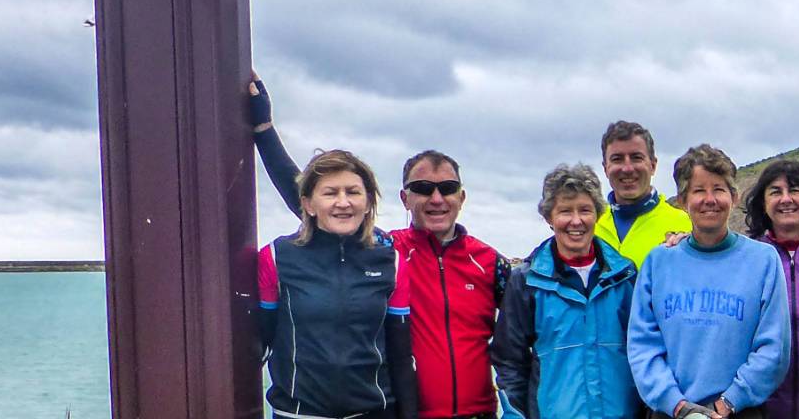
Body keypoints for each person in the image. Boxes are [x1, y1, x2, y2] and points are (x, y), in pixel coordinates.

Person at [250, 76, 508, 419]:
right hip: (406, 409)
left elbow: (537, 323)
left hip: (477, 413)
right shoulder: (389, 250)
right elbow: (318, 205)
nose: (436, 199)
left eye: (447, 188)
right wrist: (264, 130)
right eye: (422, 188)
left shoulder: (490, 262)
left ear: (462, 196)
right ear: (405, 198)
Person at [629, 144, 790, 419]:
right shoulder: (658, 262)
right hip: (672, 413)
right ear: (682, 200)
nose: (709, 199)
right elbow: (643, 345)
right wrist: (679, 406)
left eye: (719, 189)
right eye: (698, 190)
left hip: (739, 411)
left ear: (734, 197)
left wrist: (727, 403)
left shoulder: (763, 261)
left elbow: (774, 348)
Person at [256, 148, 417, 419]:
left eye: (353, 192)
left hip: (373, 413)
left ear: (367, 203)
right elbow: (260, 342)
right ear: (308, 204)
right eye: (330, 193)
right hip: (299, 414)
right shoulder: (275, 257)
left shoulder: (391, 262)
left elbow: (401, 357)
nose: (343, 202)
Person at [491, 164, 640, 419]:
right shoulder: (526, 282)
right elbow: (510, 362)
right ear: (549, 217)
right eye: (564, 211)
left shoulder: (625, 277)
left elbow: (642, 352)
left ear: (597, 214)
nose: (576, 221)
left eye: (584, 210)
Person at [742, 160, 799, 419]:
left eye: (795, 189)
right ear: (763, 203)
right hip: (759, 409)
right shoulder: (746, 259)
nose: (786, 199)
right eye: (775, 192)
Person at [594, 120, 695, 269]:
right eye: (617, 159)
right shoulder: (591, 226)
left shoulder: (685, 224)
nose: (627, 168)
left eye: (636, 158)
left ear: (653, 166)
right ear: (605, 168)